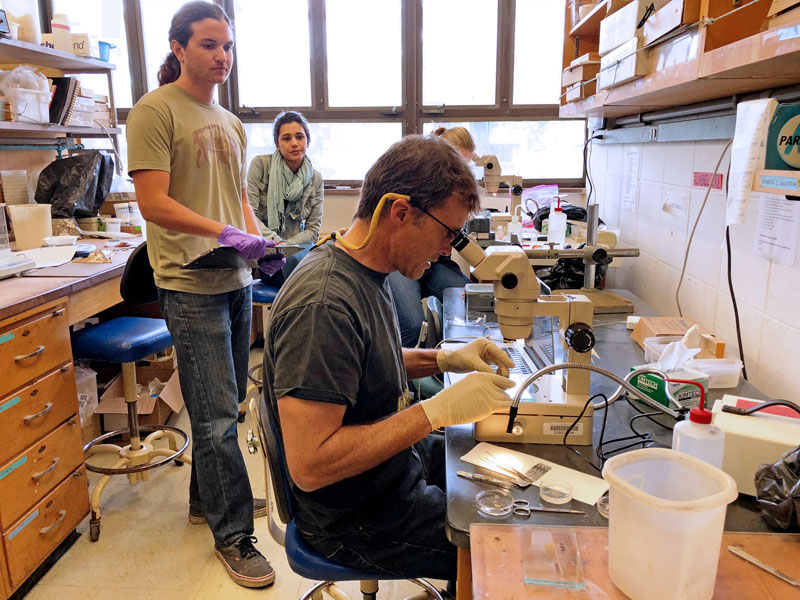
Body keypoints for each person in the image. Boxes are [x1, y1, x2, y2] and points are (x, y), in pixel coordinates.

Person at [263, 135, 515, 583]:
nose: (446, 251)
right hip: (356, 515)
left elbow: (360, 359)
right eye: (445, 234)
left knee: (510, 467)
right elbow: (311, 464)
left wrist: (444, 360)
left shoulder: (363, 265)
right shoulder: (324, 304)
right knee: (511, 543)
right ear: (401, 212)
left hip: (394, 467)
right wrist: (435, 411)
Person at [126, 1, 278, 589]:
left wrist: (255, 239)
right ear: (179, 49)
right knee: (215, 415)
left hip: (233, 278)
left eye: (228, 46)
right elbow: (153, 203)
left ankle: (206, 500)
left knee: (227, 405)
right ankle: (234, 534)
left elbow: (236, 197)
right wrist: (222, 232)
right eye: (210, 44)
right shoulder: (155, 111)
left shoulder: (231, 121)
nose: (222, 56)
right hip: (188, 283)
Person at [387, 126, 477, 348]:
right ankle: (408, 379)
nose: (462, 173)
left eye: (467, 165)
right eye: (458, 165)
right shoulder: (415, 183)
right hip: (403, 261)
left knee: (474, 304)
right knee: (411, 326)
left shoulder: (458, 196)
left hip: (434, 262)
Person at [247, 110, 324, 284]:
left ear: (308, 141)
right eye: (286, 138)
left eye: (300, 137)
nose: (294, 143)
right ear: (277, 143)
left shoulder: (316, 179)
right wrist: (277, 248)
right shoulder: (260, 165)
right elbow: (249, 217)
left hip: (295, 252)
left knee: (316, 262)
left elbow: (313, 231)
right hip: (265, 251)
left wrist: (286, 250)